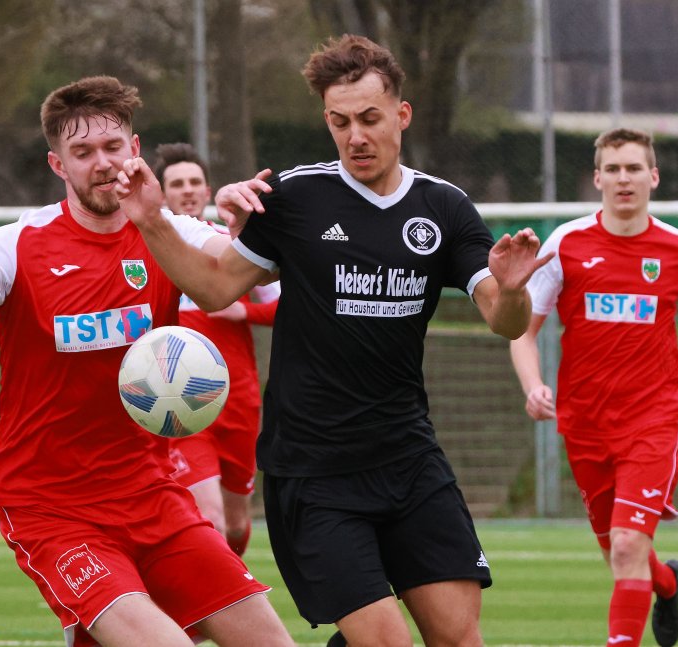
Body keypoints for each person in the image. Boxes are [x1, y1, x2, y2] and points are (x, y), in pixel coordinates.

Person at [114, 34, 551, 647]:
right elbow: (215, 290)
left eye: (370, 119)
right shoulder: (295, 198)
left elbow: (503, 321)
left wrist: (510, 291)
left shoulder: (445, 208)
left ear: (402, 114)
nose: (356, 136)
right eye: (339, 121)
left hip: (409, 459)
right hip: (314, 471)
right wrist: (152, 221)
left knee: (458, 637)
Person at [0, 76, 293, 647]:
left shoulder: (166, 230)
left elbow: (242, 276)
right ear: (58, 164)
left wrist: (251, 223)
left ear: (136, 149)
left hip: (154, 494)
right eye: (82, 152)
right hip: (53, 508)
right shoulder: (12, 246)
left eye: (112, 147)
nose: (102, 164)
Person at [509, 128, 678, 647]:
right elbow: (522, 331)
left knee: (625, 547)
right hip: (585, 421)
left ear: (653, 177)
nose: (623, 178)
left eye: (634, 168)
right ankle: (666, 582)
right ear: (597, 178)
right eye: (613, 169)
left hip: (656, 417)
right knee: (622, 553)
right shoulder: (566, 244)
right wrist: (533, 385)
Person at [152, 142, 280, 556]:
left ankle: (222, 604)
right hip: (177, 403)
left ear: (207, 191)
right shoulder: (148, 250)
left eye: (194, 182)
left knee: (237, 524)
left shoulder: (233, 247)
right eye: (176, 183)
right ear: (160, 192)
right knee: (211, 519)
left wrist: (244, 314)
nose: (187, 190)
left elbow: (290, 302)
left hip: (237, 401)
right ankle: (207, 615)